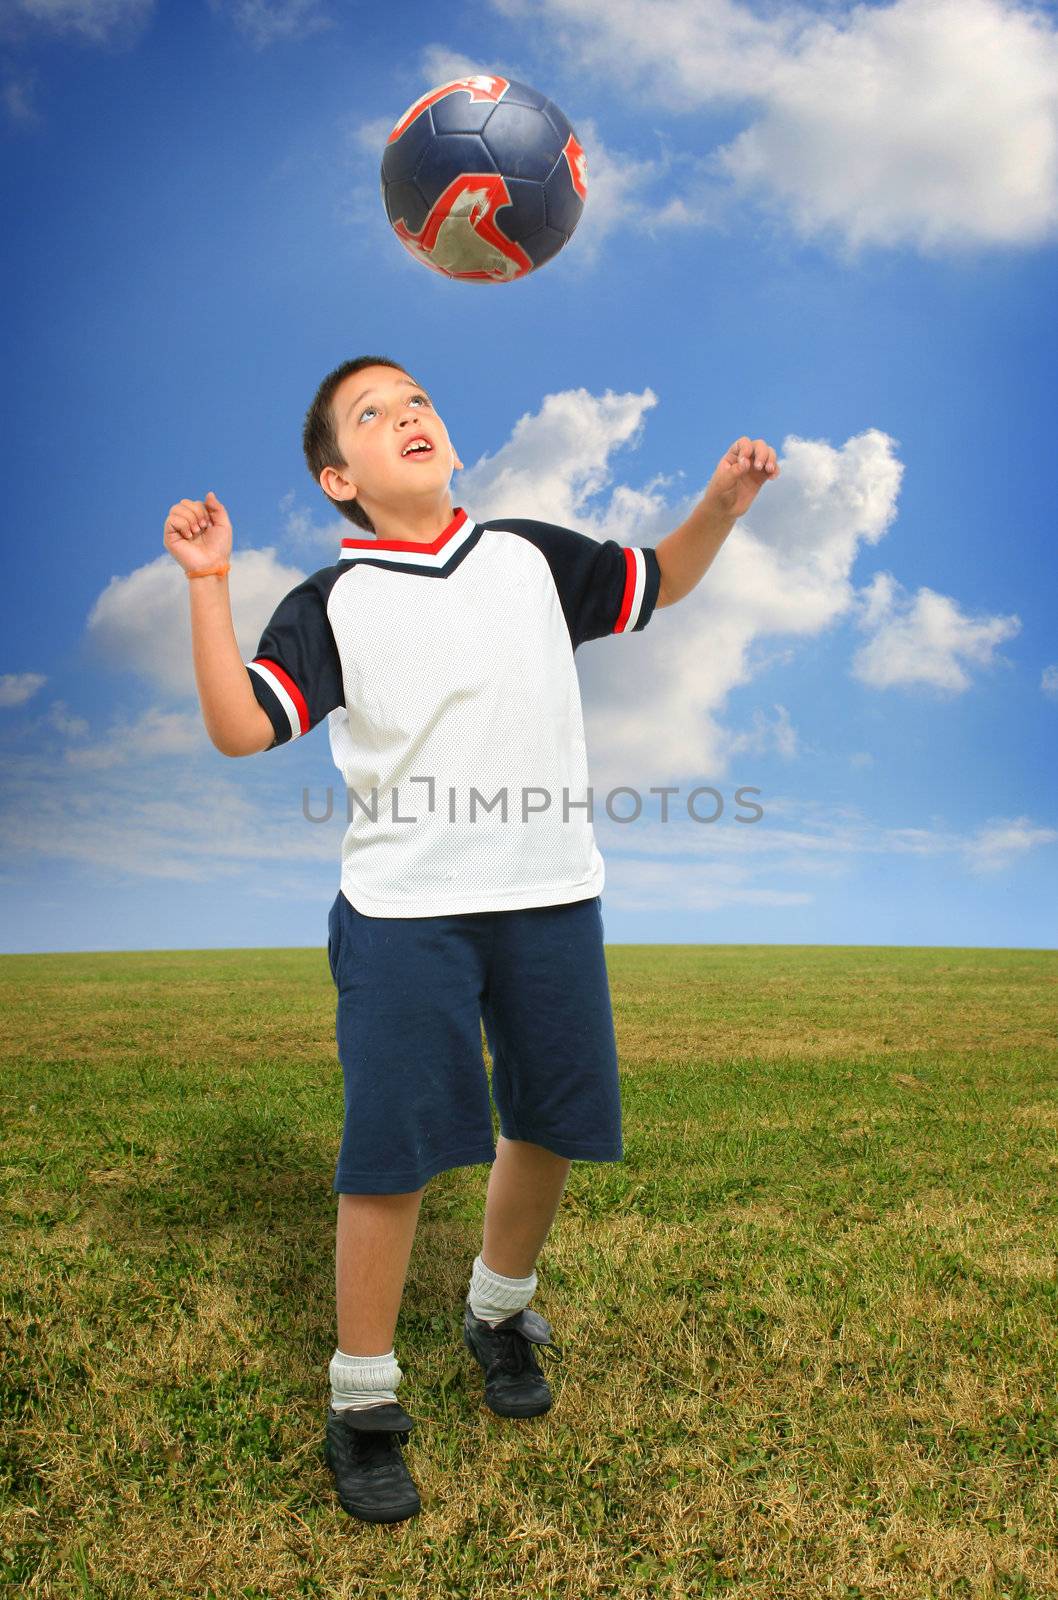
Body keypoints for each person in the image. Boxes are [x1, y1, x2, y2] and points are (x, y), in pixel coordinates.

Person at [163, 355, 779, 1526]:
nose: (408, 415)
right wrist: (208, 582)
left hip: (550, 894)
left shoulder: (531, 557)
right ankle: (362, 1402)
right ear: (340, 478)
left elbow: (662, 580)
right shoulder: (331, 600)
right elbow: (242, 727)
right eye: (371, 413)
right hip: (404, 915)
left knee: (547, 1117)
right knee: (390, 1153)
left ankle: (496, 1309)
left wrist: (718, 509)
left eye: (417, 401)